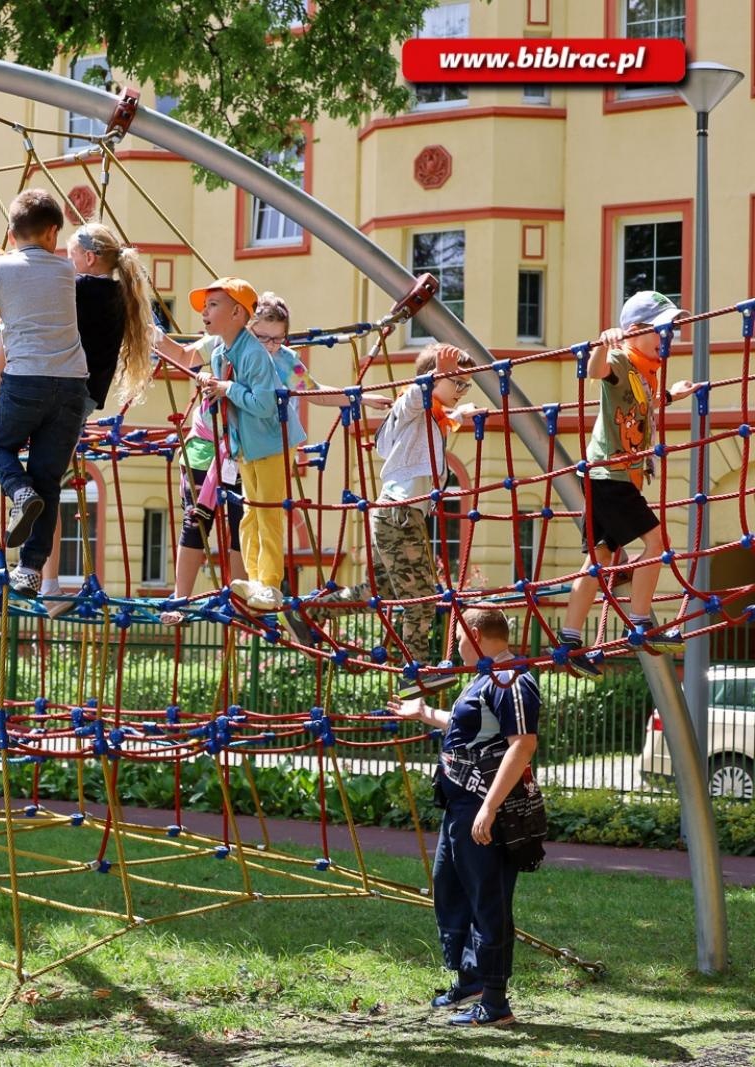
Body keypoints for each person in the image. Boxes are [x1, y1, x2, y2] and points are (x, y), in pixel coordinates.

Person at [0, 221, 157, 611]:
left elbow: (29, 291)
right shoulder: (113, 291)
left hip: (54, 383)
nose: (66, 260)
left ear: (88, 258)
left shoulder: (78, 289)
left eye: (72, 254)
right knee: (48, 482)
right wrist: (2, 256)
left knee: (18, 327)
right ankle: (41, 578)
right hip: (82, 399)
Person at [157, 291, 385, 625]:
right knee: (197, 518)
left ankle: (245, 599)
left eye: (278, 340)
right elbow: (183, 355)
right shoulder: (223, 343)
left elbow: (312, 390)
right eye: (263, 337)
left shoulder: (282, 359)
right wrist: (148, 333)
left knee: (246, 516)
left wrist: (358, 398)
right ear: (246, 324)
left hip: (251, 448)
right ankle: (180, 598)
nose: (270, 346)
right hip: (210, 443)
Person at [387, 606, 542, 1027]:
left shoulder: (510, 679)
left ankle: (495, 1003)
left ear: (475, 635)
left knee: (488, 900)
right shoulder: (484, 677)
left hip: (484, 807)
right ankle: (471, 978)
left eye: (457, 639)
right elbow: (469, 728)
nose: (454, 648)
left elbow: (522, 744)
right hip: (459, 807)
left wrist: (490, 808)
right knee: (450, 888)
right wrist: (423, 714)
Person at [0, 189, 91, 597]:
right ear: (51, 233)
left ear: (11, 233)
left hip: (26, 381)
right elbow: (32, 281)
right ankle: (29, 570)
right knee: (49, 480)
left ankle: (17, 491)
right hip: (72, 387)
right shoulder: (66, 271)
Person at [558, 290, 697, 673]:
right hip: (610, 476)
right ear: (634, 331)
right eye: (662, 330)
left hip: (617, 477)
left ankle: (569, 640)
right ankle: (640, 622)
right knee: (656, 541)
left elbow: (640, 405)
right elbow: (596, 372)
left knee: (600, 557)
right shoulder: (621, 358)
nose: (668, 338)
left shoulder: (646, 372)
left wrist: (669, 396)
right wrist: (604, 344)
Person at [363, 343, 480, 690]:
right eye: (455, 383)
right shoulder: (413, 404)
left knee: (381, 587)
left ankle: (318, 611)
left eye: (465, 385)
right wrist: (433, 377)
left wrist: (461, 413)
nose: (460, 390)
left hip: (396, 515)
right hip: (400, 514)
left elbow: (441, 417)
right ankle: (415, 672)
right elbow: (416, 397)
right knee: (423, 597)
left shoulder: (433, 416)